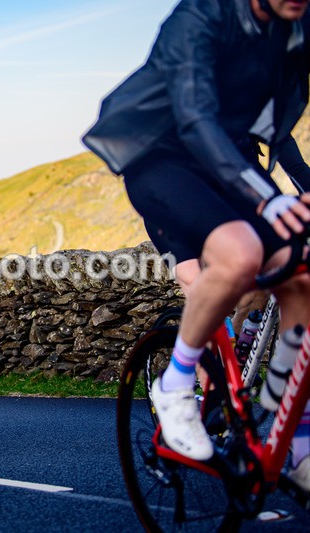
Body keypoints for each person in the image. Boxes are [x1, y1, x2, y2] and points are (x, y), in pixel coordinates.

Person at [83, 0, 310, 489]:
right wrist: (269, 202)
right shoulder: (200, 18)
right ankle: (177, 382)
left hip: (231, 160)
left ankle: (295, 440)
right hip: (163, 155)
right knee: (240, 255)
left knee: (301, 275)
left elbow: (277, 132)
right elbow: (195, 117)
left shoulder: (295, 24)